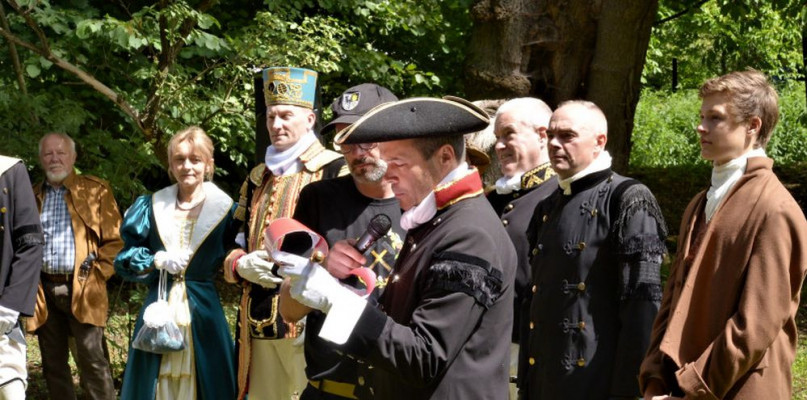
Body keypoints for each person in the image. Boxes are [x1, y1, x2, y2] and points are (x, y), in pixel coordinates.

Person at [276, 96, 518, 399]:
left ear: (444, 157)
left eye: (399, 163)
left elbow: (423, 356)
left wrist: (336, 301)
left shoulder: (469, 232)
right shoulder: (438, 220)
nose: (387, 175)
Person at [639, 71, 807, 400]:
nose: (700, 127)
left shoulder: (775, 210)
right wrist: (655, 377)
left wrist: (694, 388)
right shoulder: (700, 203)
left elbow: (754, 327)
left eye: (715, 118)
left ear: (753, 126)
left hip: (739, 389)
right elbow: (672, 302)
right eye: (701, 116)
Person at [521, 100, 667, 399]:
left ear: (599, 142)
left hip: (597, 381)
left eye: (567, 136)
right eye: (550, 135)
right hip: (544, 381)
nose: (554, 144)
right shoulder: (546, 207)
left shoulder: (629, 199)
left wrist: (631, 390)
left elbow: (643, 308)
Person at [223, 66, 347, 400]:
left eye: (286, 116)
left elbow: (347, 246)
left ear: (310, 119)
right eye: (271, 117)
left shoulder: (335, 170)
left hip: (308, 322)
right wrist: (240, 264)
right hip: (256, 320)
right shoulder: (257, 177)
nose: (276, 125)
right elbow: (233, 239)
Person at [278, 83, 405, 400]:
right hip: (329, 390)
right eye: (347, 141)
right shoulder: (319, 199)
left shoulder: (425, 204)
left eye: (368, 138)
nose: (358, 153)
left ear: (397, 135)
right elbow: (288, 310)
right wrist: (319, 273)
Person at [114, 126, 238, 399]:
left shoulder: (228, 211)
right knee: (153, 383)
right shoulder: (151, 205)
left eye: (195, 159)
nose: (187, 167)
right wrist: (157, 258)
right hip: (158, 306)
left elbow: (238, 256)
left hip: (203, 310)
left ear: (209, 165)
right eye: (179, 160)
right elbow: (123, 259)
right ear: (170, 165)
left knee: (209, 380)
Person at [27, 133, 121, 400]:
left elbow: (116, 241)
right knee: (53, 366)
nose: (55, 158)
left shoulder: (95, 190)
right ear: (40, 159)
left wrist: (98, 275)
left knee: (93, 362)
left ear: (73, 157)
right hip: (43, 290)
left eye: (61, 152)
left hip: (84, 287)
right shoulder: (31, 195)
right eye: (48, 154)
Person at [485, 97, 556, 394]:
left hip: (536, 353)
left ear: (542, 135)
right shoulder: (490, 199)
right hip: (486, 348)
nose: (499, 146)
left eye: (508, 135)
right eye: (497, 138)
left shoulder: (562, 198)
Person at [0, 155, 43, 399]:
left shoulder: (9, 170)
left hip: (2, 307)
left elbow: (30, 242)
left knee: (10, 389)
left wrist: (10, 305)